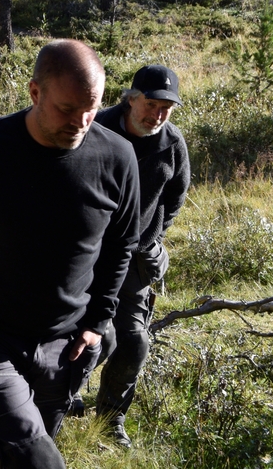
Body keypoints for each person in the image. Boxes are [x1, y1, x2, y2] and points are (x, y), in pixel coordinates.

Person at [0, 39, 141, 469]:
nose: (81, 121)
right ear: (35, 92)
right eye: (67, 108)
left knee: (27, 450)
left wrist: (97, 323)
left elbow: (120, 244)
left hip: (68, 345)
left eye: (91, 108)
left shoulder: (117, 156)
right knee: (36, 458)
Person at [74, 64, 190, 448]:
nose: (157, 115)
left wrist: (153, 239)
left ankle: (110, 418)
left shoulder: (171, 144)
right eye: (151, 104)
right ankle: (53, 399)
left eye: (166, 108)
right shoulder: (95, 130)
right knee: (92, 334)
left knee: (134, 340)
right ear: (131, 97)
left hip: (134, 259)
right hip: (85, 252)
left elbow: (174, 197)